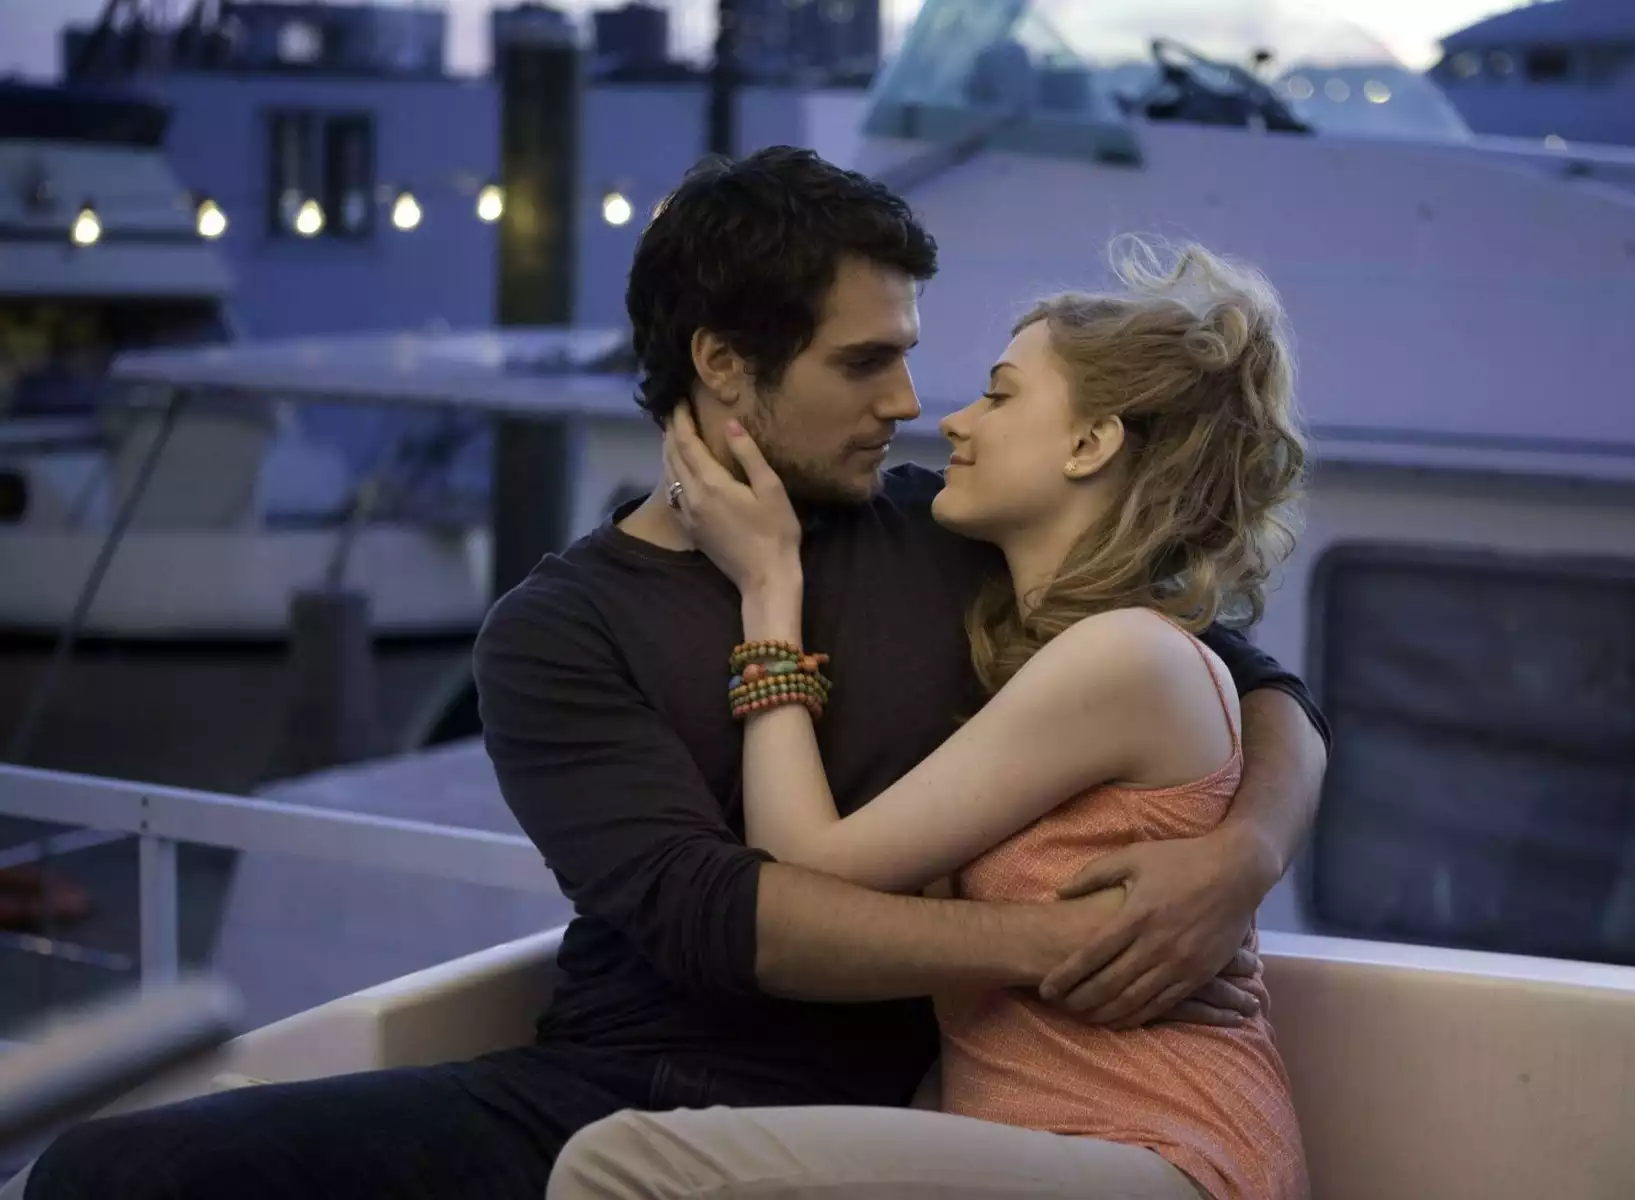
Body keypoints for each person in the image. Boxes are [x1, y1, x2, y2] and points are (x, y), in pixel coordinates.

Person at [7, 147, 1325, 1200]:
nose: (909, 403)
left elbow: (1251, 685)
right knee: (111, 1172)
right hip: (633, 1082)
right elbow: (725, 918)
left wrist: (1239, 860)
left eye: (912, 356)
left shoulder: (951, 531)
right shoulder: (557, 630)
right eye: (864, 362)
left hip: (923, 1101)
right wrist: (1063, 944)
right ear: (723, 364)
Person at [545, 238, 1310, 1199]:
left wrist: (769, 589)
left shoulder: (1126, 656)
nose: (948, 419)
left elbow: (806, 868)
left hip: (1166, 1155)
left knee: (619, 1165)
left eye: (998, 395)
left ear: (1089, 445)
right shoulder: (1051, 652)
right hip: (1052, 1146)